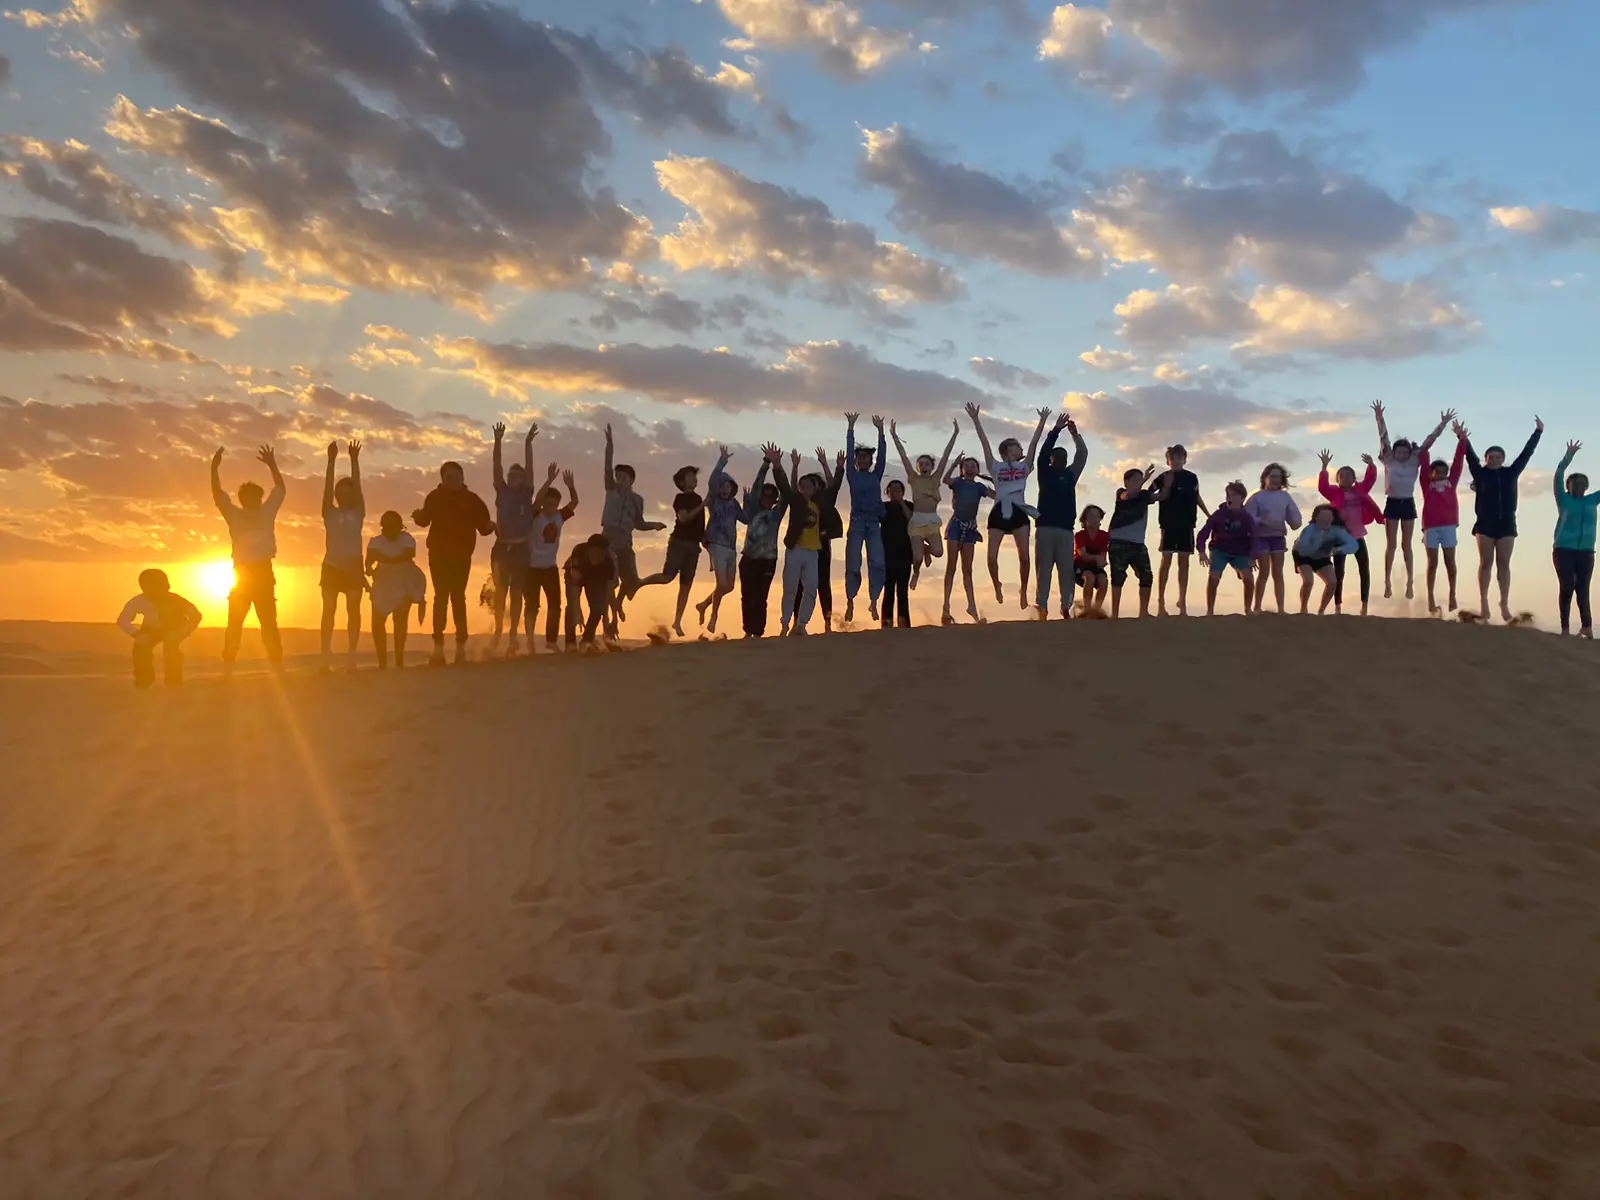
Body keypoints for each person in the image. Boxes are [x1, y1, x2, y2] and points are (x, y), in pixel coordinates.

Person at [211, 444, 285, 675]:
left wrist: (272, 465)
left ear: (260, 498)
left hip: (263, 571)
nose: (252, 500)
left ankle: (276, 665)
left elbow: (280, 490)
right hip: (242, 573)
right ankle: (228, 665)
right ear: (242, 499)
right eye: (248, 497)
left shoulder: (267, 512)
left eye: (255, 497)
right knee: (235, 622)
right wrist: (214, 468)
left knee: (268, 622)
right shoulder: (234, 514)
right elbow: (218, 495)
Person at [966, 403, 1049, 611]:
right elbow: (984, 443)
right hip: (999, 512)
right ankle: (997, 584)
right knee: (991, 558)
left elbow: (1034, 443)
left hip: (1019, 511)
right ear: (1009, 450)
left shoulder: (1024, 466)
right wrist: (976, 419)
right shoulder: (996, 466)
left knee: (1024, 557)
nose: (1021, 449)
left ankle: (1023, 590)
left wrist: (1042, 421)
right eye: (1017, 446)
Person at [413, 459, 494, 665]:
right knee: (441, 597)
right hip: (438, 555)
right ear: (443, 479)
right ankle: (438, 648)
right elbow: (424, 520)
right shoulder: (434, 497)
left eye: (457, 476)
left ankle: (460, 647)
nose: (454, 480)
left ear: (462, 477)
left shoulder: (472, 500)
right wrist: (418, 516)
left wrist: (493, 526)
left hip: (461, 556)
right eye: (449, 477)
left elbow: (484, 528)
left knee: (457, 597)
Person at [1464, 416, 1543, 623]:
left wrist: (1537, 433)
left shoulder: (1511, 473)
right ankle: (1484, 602)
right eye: (1491, 457)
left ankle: (1504, 604)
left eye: (1498, 457)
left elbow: (1526, 454)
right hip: (1484, 524)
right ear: (1486, 458)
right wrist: (1463, 438)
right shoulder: (1480, 473)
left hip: (1507, 523)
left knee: (1504, 563)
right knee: (1486, 562)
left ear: (1503, 458)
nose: (1495, 459)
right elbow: (1470, 457)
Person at [1373, 403, 1454, 601]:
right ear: (1394, 453)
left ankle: (1409, 582)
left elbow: (1429, 441)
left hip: (1408, 503)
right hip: (1392, 503)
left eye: (1405, 452)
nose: (1402, 455)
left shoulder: (1414, 460)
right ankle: (1387, 582)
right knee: (1391, 544)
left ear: (1409, 453)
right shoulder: (1389, 459)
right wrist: (1379, 417)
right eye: (1399, 452)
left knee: (1406, 544)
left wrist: (1443, 424)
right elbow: (1383, 437)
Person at [601, 423, 668, 636]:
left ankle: (619, 605)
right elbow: (607, 467)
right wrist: (610, 444)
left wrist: (654, 525)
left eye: (624, 478)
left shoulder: (637, 500)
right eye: (618, 477)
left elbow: (639, 523)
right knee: (610, 579)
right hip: (608, 538)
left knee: (631, 582)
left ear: (631, 481)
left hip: (625, 540)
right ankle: (611, 621)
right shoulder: (611, 490)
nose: (620, 480)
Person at [635, 456, 711, 638]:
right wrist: (702, 505)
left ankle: (677, 621)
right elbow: (684, 518)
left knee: (686, 585)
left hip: (693, 546)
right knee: (667, 577)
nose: (694, 479)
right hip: (679, 542)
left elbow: (699, 524)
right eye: (690, 476)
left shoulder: (698, 498)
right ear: (682, 482)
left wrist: (705, 542)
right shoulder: (680, 499)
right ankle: (640, 583)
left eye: (694, 476)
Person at [890, 419, 959, 589]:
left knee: (938, 552)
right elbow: (903, 457)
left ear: (932, 466)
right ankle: (916, 573)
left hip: (932, 521)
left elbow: (945, 456)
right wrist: (894, 436)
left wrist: (955, 434)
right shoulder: (914, 479)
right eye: (921, 464)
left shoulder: (935, 479)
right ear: (918, 467)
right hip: (917, 522)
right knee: (918, 558)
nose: (924, 466)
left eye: (927, 464)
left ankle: (927, 549)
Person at [488, 422, 538, 657]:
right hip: (501, 547)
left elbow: (530, 467)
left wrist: (527, 443)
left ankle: (513, 634)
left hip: (520, 548)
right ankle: (498, 629)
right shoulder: (502, 490)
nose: (513, 478)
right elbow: (496, 466)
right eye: (511, 475)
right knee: (500, 591)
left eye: (517, 476)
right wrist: (497, 441)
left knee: (516, 593)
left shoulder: (526, 493)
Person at [1034, 411, 1089, 620]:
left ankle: (1066, 607)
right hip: (1045, 528)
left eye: (1064, 457)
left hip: (1066, 530)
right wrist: (1056, 430)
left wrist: (1075, 435)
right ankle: (1042, 607)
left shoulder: (1070, 475)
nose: (1062, 459)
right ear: (1051, 460)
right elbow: (1042, 454)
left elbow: (1082, 454)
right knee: (1044, 570)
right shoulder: (1045, 473)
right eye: (1057, 457)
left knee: (1066, 571)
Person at [318, 439, 366, 673]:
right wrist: (331, 460)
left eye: (348, 493)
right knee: (328, 611)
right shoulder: (329, 512)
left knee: (353, 611)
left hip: (353, 567)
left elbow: (358, 486)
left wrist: (354, 460)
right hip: (332, 567)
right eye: (341, 493)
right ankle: (325, 656)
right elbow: (327, 488)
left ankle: (352, 656)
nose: (344, 496)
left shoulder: (358, 512)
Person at [1317, 450, 1382, 616]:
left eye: (1348, 475)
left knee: (1364, 568)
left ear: (1354, 479)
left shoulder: (1360, 490)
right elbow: (1322, 487)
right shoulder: (1334, 492)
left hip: (1358, 534)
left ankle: (1364, 605)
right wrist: (1324, 467)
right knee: (1339, 571)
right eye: (1341, 475)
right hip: (1341, 536)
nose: (1345, 478)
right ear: (1337, 479)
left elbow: (1370, 480)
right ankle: (1338, 606)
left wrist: (1371, 465)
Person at [117, 568, 201, 688]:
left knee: (171, 645)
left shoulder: (176, 600)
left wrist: (182, 632)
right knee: (141, 646)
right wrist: (137, 634)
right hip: (150, 629)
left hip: (174, 628)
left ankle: (173, 681)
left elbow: (196, 615)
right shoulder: (139, 601)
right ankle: (144, 680)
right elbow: (122, 621)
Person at [1152, 445, 1210, 617]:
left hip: (1187, 524)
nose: (1176, 461)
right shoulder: (1163, 477)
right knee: (1166, 560)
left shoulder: (1191, 478)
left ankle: (1182, 602)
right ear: (1168, 461)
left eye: (1179, 458)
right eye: (1173, 458)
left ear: (1184, 459)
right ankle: (1161, 602)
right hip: (1168, 524)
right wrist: (1163, 492)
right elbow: (1148, 495)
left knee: (1184, 563)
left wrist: (1208, 514)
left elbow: (1197, 497)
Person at [842, 413, 888, 625]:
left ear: (870, 461)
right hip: (857, 522)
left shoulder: (875, 475)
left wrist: (881, 432)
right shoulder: (852, 475)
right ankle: (850, 600)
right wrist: (851, 428)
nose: (862, 460)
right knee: (853, 561)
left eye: (866, 457)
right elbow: (849, 451)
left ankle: (874, 600)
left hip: (873, 523)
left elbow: (883, 457)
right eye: (859, 457)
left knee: (877, 561)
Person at [366, 510, 427, 668]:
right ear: (383, 528)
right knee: (377, 623)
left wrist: (387, 559)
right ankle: (382, 663)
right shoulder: (376, 541)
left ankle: (399, 661)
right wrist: (370, 568)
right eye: (387, 527)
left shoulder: (406, 539)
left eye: (394, 527)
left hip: (403, 581)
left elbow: (408, 554)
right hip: (383, 584)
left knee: (400, 622)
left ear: (400, 527)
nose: (390, 531)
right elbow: (369, 560)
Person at [527, 469, 579, 651]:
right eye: (548, 503)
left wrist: (571, 487)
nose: (550, 507)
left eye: (554, 504)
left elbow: (574, 502)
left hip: (550, 567)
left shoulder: (559, 516)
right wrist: (548, 480)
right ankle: (530, 640)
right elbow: (537, 500)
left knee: (555, 605)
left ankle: (551, 641)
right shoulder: (536, 514)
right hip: (532, 567)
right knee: (532, 605)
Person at [774, 450, 824, 635]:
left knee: (811, 588)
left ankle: (802, 624)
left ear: (814, 489)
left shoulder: (818, 505)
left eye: (808, 486)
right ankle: (785, 624)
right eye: (802, 486)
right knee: (790, 589)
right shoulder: (796, 502)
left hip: (812, 552)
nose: (805, 489)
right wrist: (783, 465)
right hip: (796, 549)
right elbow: (786, 486)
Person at [1421, 423, 1469, 614]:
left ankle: (1452, 594)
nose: (1441, 474)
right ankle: (1431, 598)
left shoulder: (1451, 482)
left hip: (1449, 526)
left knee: (1450, 560)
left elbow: (1458, 462)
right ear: (1431, 473)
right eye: (1437, 472)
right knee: (1432, 563)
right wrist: (1429, 442)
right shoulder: (1427, 485)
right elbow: (1424, 456)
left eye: (1443, 472)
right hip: (1431, 527)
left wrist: (1461, 439)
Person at [1552, 438, 1598, 638]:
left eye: (1582, 483)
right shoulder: (1563, 499)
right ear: (1568, 486)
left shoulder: (1592, 500)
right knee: (1568, 584)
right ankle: (1564, 627)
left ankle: (1586, 626)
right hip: (1563, 550)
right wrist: (1568, 456)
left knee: (1583, 589)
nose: (1578, 486)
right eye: (1574, 483)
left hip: (1586, 552)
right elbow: (1558, 474)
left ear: (1586, 486)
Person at [1197, 481, 1264, 616]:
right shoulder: (1219, 514)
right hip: (1220, 549)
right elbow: (1203, 533)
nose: (1229, 498)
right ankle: (1210, 611)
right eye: (1228, 495)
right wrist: (1201, 551)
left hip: (1240, 552)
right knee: (1214, 577)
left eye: (1233, 495)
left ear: (1242, 498)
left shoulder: (1246, 517)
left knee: (1248, 578)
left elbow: (1255, 537)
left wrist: (1253, 556)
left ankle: (1248, 609)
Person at [737, 445, 784, 638]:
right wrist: (766, 463)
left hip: (767, 560)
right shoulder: (754, 511)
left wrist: (778, 466)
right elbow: (757, 485)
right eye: (765, 495)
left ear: (775, 500)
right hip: (748, 558)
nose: (768, 499)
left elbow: (786, 493)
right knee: (747, 596)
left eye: (772, 497)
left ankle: (758, 632)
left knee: (760, 597)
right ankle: (748, 631)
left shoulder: (776, 515)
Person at [695, 447, 741, 634]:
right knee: (721, 584)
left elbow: (746, 518)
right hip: (716, 545)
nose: (724, 489)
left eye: (727, 486)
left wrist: (750, 500)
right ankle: (713, 618)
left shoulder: (734, 504)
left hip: (731, 548)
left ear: (732, 488)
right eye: (722, 486)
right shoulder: (714, 501)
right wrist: (722, 461)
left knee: (729, 586)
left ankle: (703, 605)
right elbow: (712, 480)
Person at [941, 455, 992, 625]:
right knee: (951, 566)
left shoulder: (979, 487)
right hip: (956, 526)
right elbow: (945, 480)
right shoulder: (958, 483)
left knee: (967, 569)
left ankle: (972, 606)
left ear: (977, 470)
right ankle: (946, 607)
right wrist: (953, 464)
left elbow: (996, 495)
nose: (970, 469)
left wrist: (999, 480)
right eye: (966, 466)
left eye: (973, 466)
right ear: (962, 470)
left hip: (970, 529)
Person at [799, 449, 846, 631]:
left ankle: (827, 622)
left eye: (814, 484)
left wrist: (830, 465)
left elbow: (835, 485)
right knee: (801, 585)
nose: (811, 487)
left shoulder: (825, 498)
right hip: (804, 546)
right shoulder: (801, 502)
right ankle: (798, 622)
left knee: (823, 583)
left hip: (822, 545)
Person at [1245, 463, 1302, 614]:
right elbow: (1248, 517)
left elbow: (1294, 517)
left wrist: (1295, 522)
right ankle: (1257, 606)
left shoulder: (1284, 497)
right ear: (1265, 478)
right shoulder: (1257, 497)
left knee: (1278, 573)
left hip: (1278, 536)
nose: (1275, 480)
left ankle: (1281, 608)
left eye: (1278, 477)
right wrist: (1261, 520)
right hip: (1261, 537)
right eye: (1272, 476)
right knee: (1264, 572)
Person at [1108, 464, 1158, 619]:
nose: (1139, 483)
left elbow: (1159, 496)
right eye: (1135, 480)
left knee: (1146, 575)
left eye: (1140, 480)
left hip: (1138, 543)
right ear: (1126, 482)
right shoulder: (1121, 493)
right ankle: (1115, 614)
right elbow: (1127, 496)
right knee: (1118, 577)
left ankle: (1143, 612)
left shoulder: (1143, 497)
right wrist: (1144, 480)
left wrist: (1169, 482)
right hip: (1118, 541)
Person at [1293, 505, 1360, 615]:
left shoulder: (1337, 531)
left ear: (1333, 518)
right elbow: (1303, 548)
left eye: (1328, 516)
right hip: (1303, 555)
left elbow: (1353, 545)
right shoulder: (1309, 529)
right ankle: (1303, 609)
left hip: (1322, 556)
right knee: (1308, 581)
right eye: (1322, 517)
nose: (1325, 519)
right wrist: (1319, 543)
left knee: (1332, 582)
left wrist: (1339, 549)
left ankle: (1321, 611)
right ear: (1316, 518)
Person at [564, 534, 618, 650]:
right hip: (575, 574)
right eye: (596, 553)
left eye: (602, 553)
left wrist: (612, 619)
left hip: (595, 576)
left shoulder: (608, 562)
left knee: (598, 608)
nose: (599, 557)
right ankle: (570, 642)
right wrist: (578, 611)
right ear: (589, 550)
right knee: (572, 607)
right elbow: (575, 587)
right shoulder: (579, 552)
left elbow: (609, 594)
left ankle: (587, 640)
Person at [881, 478, 914, 628]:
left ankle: (903, 622)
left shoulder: (909, 506)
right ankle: (886, 622)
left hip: (905, 554)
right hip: (887, 555)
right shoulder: (884, 507)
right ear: (887, 493)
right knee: (888, 590)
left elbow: (912, 520)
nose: (895, 492)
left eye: (898, 490)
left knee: (902, 591)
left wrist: (901, 503)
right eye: (892, 490)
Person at [1072, 505, 1110, 614]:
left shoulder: (1104, 536)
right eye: (1091, 516)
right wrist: (1097, 558)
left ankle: (1096, 610)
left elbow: (1103, 557)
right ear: (1085, 519)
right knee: (1090, 577)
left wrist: (1101, 561)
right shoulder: (1080, 535)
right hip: (1080, 565)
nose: (1094, 519)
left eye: (1097, 516)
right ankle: (1087, 609)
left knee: (1103, 580)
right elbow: (1083, 555)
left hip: (1095, 566)